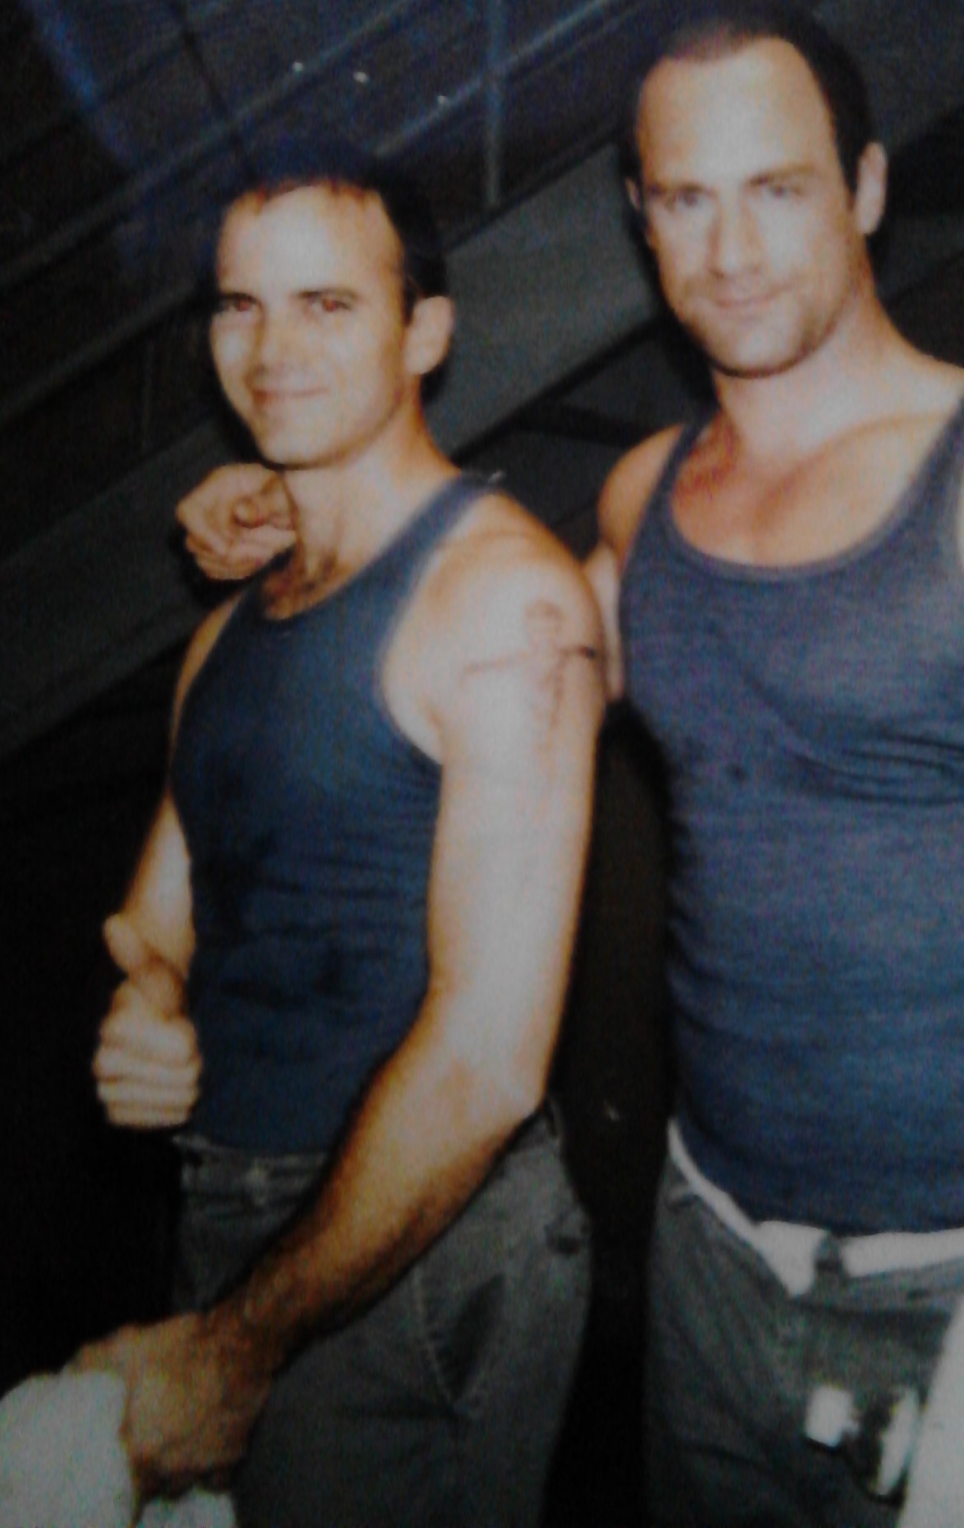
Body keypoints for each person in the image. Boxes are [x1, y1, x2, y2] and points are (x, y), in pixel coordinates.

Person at [175, 0, 964, 1527]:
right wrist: (300, 495)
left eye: (777, 189)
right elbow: (480, 649)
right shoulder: (645, 501)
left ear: (865, 187)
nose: (731, 250)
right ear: (641, 220)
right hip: (712, 1276)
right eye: (686, 200)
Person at [82, 142, 604, 1528]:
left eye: (327, 304)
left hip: (408, 1243)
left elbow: (489, 1061)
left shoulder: (501, 601)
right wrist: (148, 1008)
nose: (272, 350)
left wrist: (233, 1351)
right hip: (237, 1218)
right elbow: (163, 920)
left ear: (425, 332)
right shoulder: (224, 633)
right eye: (240, 306)